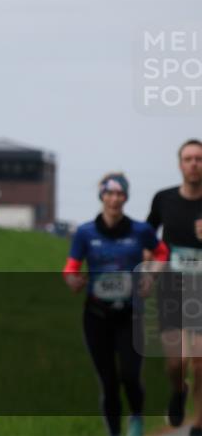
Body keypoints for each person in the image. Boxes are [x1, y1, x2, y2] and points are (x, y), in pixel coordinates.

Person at [63, 172, 163, 436]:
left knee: (129, 376)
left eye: (120, 194)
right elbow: (71, 267)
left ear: (126, 198)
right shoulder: (85, 232)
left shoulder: (141, 231)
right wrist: (72, 280)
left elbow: (162, 253)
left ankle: (137, 417)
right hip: (97, 316)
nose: (114, 199)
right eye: (109, 193)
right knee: (108, 382)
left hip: (131, 315)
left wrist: (151, 274)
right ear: (102, 196)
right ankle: (115, 432)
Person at [147, 138, 202, 433]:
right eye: (189, 158)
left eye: (199, 159)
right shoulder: (163, 199)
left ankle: (199, 423)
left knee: (200, 362)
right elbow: (148, 236)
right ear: (180, 164)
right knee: (176, 363)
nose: (194, 164)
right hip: (171, 288)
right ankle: (178, 392)